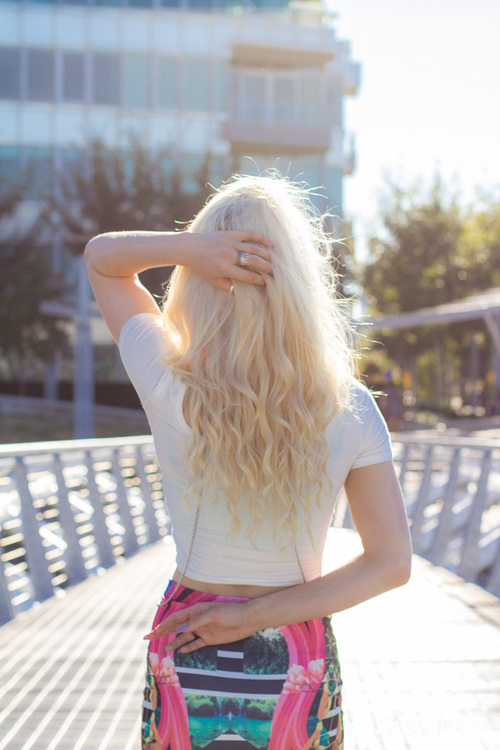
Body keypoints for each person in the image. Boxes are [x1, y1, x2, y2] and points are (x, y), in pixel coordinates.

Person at [85, 174, 412, 750]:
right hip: (295, 651)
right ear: (302, 280)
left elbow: (104, 259)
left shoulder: (167, 380)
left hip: (188, 637)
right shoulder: (350, 407)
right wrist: (254, 618)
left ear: (198, 281)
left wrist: (189, 249)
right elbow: (390, 563)